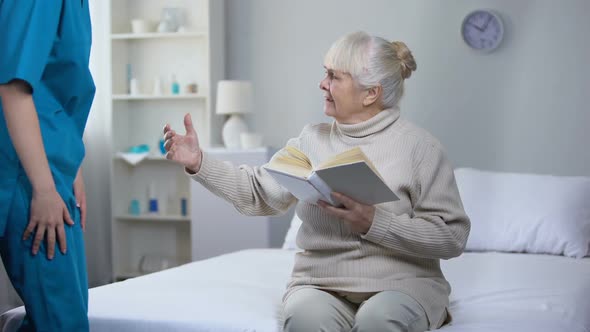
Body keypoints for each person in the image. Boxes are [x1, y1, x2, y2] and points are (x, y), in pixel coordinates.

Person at [163, 31, 470, 332]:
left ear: (370, 93)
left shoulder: (421, 148)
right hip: (321, 285)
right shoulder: (311, 139)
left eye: (335, 77)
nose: (322, 84)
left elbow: (452, 237)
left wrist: (375, 222)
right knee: (306, 322)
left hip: (402, 285)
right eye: (326, 73)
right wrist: (198, 162)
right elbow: (258, 192)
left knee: (379, 322)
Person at [0, 1, 95, 331]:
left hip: (52, 160)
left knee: (61, 313)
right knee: (60, 320)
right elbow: (14, 87)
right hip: (28, 169)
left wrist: (73, 166)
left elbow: (57, 86)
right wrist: (43, 187)